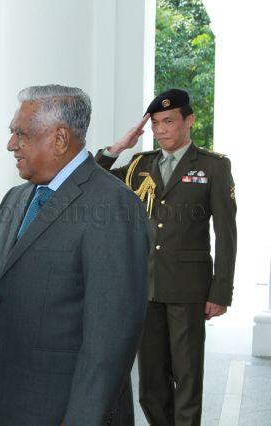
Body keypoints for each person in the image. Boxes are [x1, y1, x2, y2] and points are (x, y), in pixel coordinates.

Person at [0, 84, 151, 425]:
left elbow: (111, 337)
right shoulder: (16, 198)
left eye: (20, 134)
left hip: (61, 411)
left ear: (59, 138)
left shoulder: (112, 206)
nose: (11, 144)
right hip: (3, 404)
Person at [94, 88, 237, 426]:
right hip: (145, 288)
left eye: (169, 121)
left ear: (190, 120)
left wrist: (221, 292)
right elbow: (93, 180)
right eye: (156, 123)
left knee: (187, 378)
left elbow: (227, 234)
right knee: (150, 385)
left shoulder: (212, 167)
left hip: (189, 288)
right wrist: (118, 148)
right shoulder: (139, 166)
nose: (160, 130)